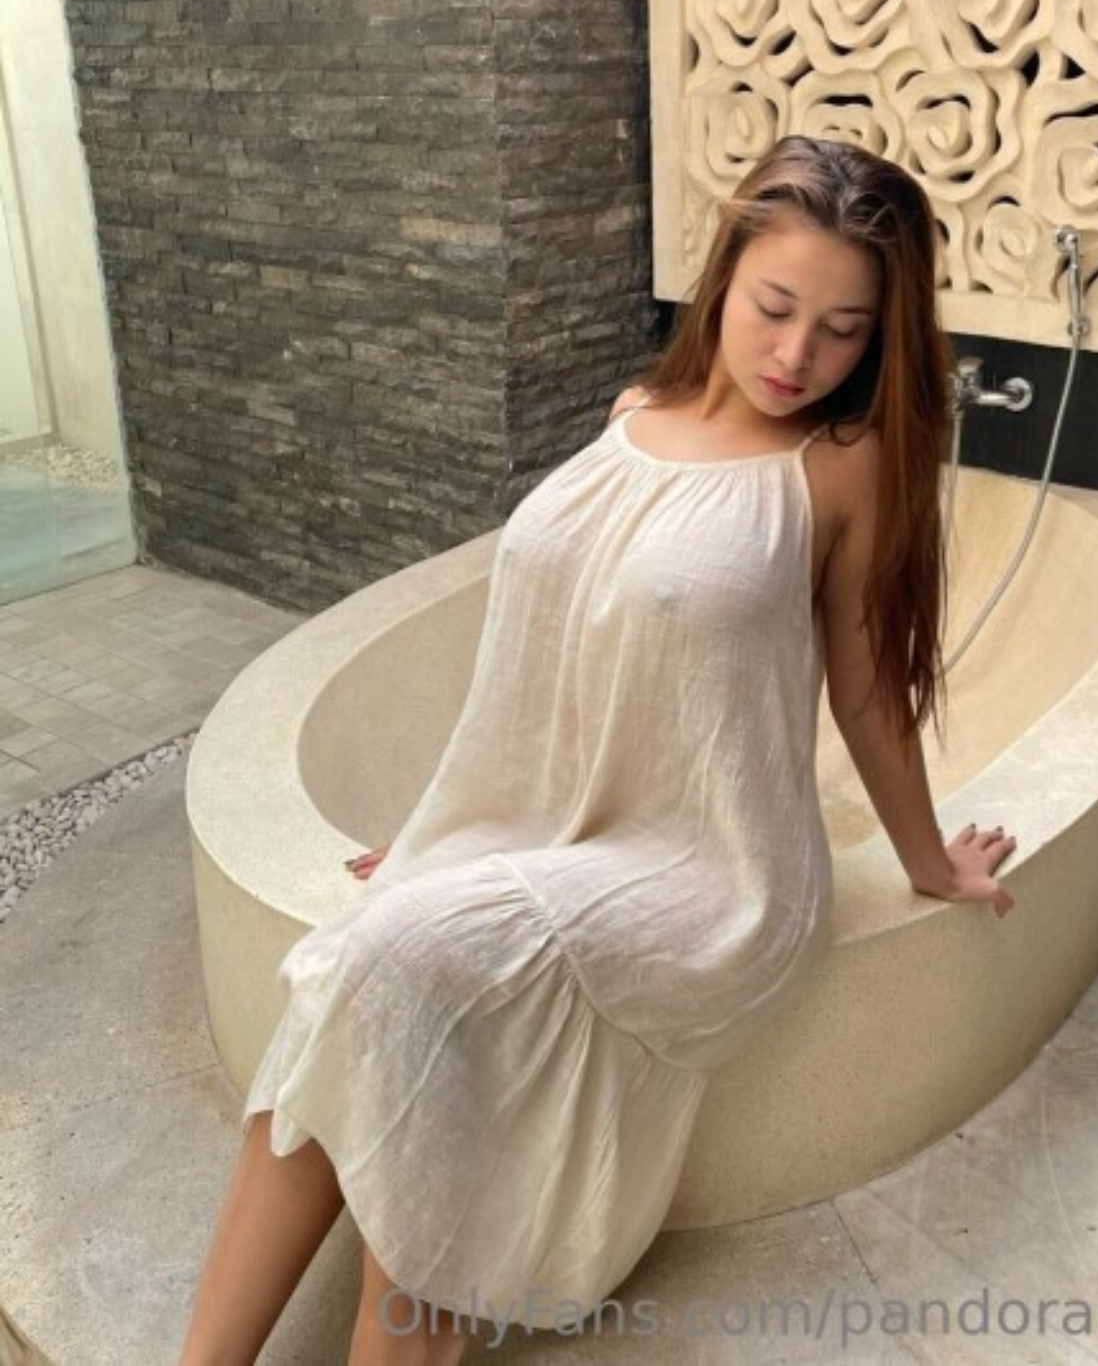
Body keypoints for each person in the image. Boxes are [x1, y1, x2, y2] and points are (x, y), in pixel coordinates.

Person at [177, 135, 1017, 1366]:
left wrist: (928, 863)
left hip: (712, 872)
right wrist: (449, 834)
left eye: (842, 331)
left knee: (391, 967)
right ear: (721, 277)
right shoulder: (634, 414)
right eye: (774, 306)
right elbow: (550, 661)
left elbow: (865, 695)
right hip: (554, 833)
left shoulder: (845, 465)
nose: (796, 355)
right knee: (357, 980)